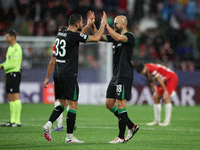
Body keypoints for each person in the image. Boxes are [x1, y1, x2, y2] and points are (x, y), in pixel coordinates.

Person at [42, 12, 107, 143]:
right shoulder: (73, 36)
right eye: (82, 23)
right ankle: (69, 137)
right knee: (73, 105)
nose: (82, 24)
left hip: (58, 74)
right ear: (77, 24)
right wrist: (103, 25)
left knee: (62, 103)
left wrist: (89, 25)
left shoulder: (62, 33)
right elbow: (95, 38)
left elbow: (76, 36)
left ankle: (48, 124)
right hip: (69, 75)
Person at [89, 12, 139, 143]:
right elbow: (98, 36)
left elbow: (117, 37)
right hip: (116, 75)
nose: (114, 24)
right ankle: (132, 126)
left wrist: (106, 25)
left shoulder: (129, 36)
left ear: (123, 24)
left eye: (116, 23)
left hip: (124, 75)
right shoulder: (114, 37)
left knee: (120, 104)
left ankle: (121, 137)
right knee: (109, 104)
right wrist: (94, 24)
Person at [0, 30, 22, 127]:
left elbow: (14, 64)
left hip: (15, 73)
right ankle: (12, 120)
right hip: (8, 74)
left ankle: (17, 121)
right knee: (10, 97)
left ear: (12, 37)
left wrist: (3, 66)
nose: (5, 39)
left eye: (7, 37)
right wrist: (1, 65)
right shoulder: (10, 48)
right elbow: (8, 62)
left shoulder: (17, 48)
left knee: (15, 96)